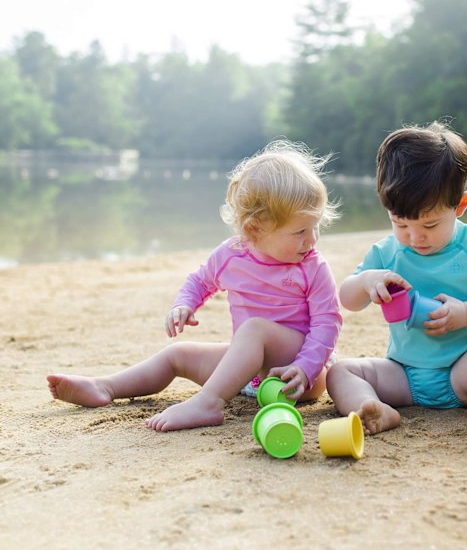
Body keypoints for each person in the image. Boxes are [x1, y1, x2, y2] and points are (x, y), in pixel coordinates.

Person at [48, 140, 342, 432]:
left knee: (254, 329)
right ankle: (106, 386)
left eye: (315, 226)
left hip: (299, 375)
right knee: (177, 355)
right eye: (300, 231)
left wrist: (305, 367)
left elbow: (327, 323)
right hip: (250, 373)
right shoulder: (232, 255)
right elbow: (200, 280)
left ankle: (209, 402)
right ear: (255, 229)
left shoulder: (312, 268)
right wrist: (185, 303)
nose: (312, 239)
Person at [326, 121, 467, 443]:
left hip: (464, 370)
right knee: (340, 372)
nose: (415, 237)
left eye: (430, 224)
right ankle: (377, 409)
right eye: (401, 224)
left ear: (460, 205)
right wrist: (367, 280)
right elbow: (348, 299)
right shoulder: (386, 252)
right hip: (403, 374)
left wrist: (465, 313)